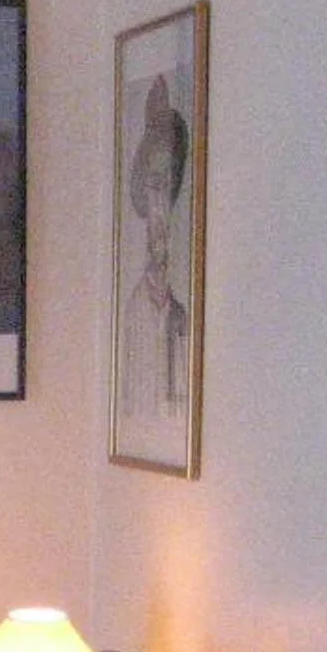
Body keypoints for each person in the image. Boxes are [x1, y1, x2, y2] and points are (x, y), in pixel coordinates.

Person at [118, 72, 191, 424]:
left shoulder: (180, 308)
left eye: (167, 183)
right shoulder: (135, 308)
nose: (160, 201)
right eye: (154, 184)